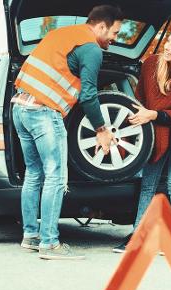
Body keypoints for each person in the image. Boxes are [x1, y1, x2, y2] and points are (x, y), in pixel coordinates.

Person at [12, 5, 123, 260]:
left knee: (34, 173)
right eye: (114, 32)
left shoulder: (59, 35)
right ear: (101, 26)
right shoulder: (91, 48)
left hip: (20, 108)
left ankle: (31, 235)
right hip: (44, 112)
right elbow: (88, 95)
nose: (114, 39)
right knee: (55, 176)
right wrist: (102, 129)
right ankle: (50, 243)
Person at [113, 24, 171, 253]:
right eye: (168, 41)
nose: (168, 46)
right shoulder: (151, 65)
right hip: (156, 132)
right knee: (148, 184)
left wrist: (154, 114)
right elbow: (140, 98)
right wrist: (133, 121)